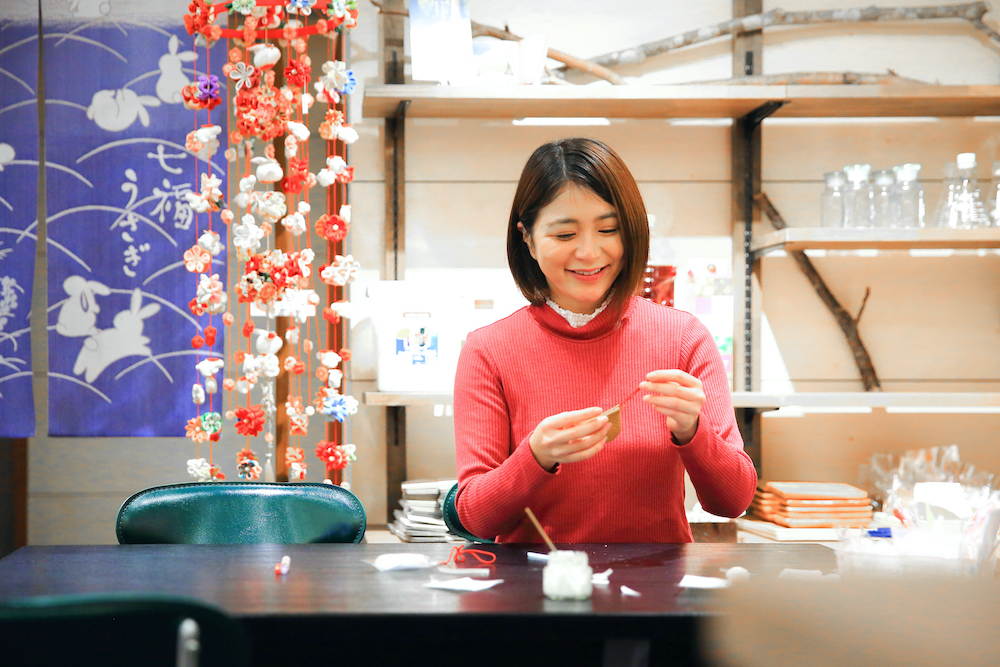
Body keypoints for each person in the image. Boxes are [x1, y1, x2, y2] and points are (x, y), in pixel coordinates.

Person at [453, 137, 757, 544]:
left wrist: (692, 431)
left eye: (608, 229)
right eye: (564, 235)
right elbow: (474, 517)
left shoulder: (683, 337)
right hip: (532, 596)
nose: (589, 252)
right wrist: (536, 456)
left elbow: (732, 501)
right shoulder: (488, 350)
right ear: (527, 239)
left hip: (656, 597)